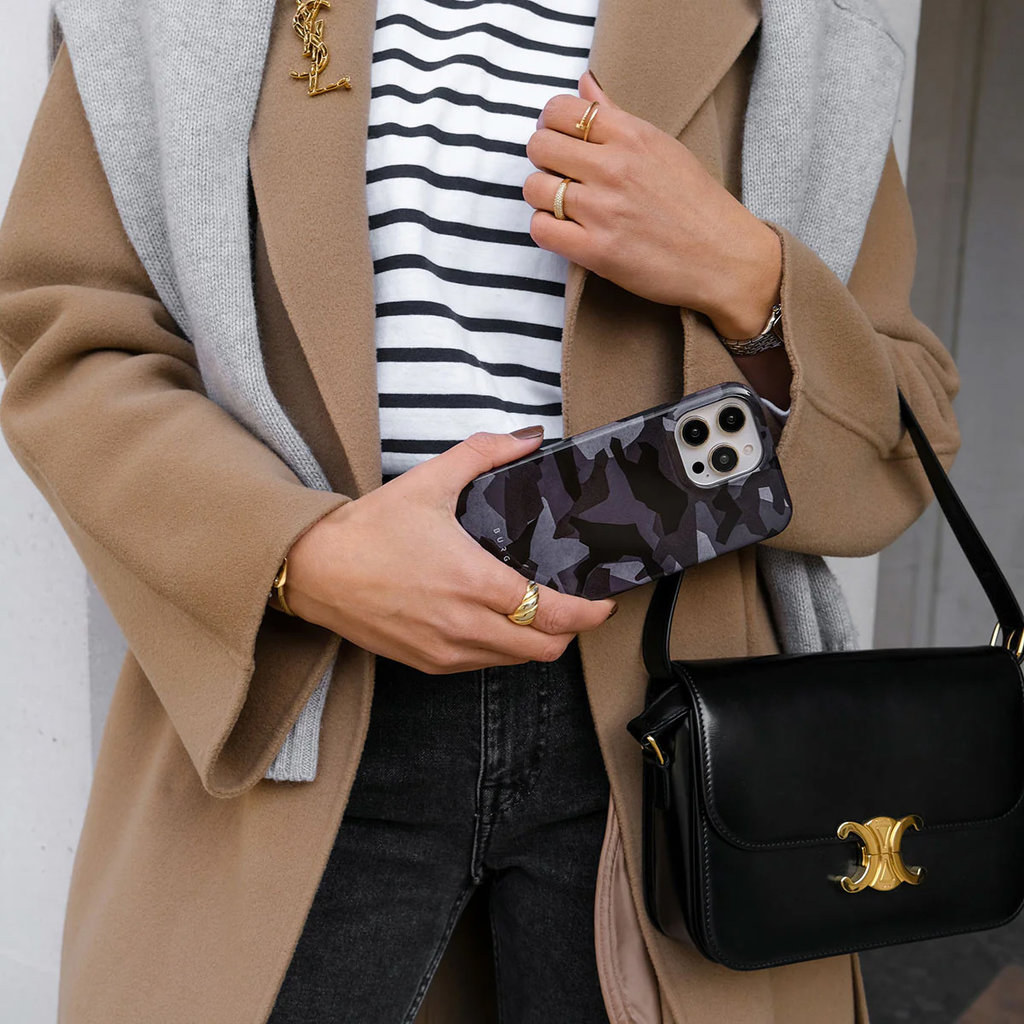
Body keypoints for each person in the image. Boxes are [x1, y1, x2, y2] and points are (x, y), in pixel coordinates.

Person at [0, 0, 960, 1022]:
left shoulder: (809, 31)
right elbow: (70, 341)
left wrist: (747, 272)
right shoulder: (169, 16)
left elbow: (902, 451)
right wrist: (302, 554)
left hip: (672, 729)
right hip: (299, 708)